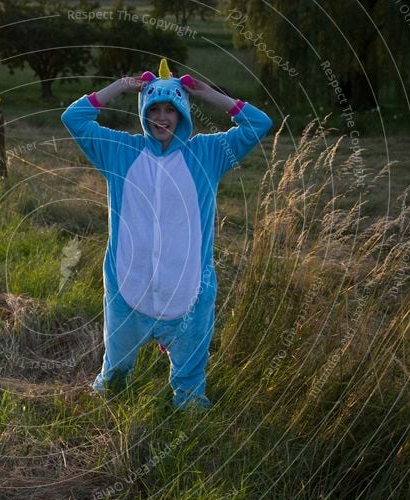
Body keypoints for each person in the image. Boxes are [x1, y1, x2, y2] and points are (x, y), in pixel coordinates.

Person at [61, 58, 273, 410]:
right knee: (112, 384)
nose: (162, 117)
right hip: (129, 287)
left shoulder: (207, 154)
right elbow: (74, 118)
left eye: (170, 109)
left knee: (190, 397)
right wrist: (122, 86)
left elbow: (258, 124)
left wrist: (207, 94)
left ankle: (187, 418)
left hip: (189, 291)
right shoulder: (121, 151)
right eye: (154, 109)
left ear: (183, 113)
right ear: (143, 112)